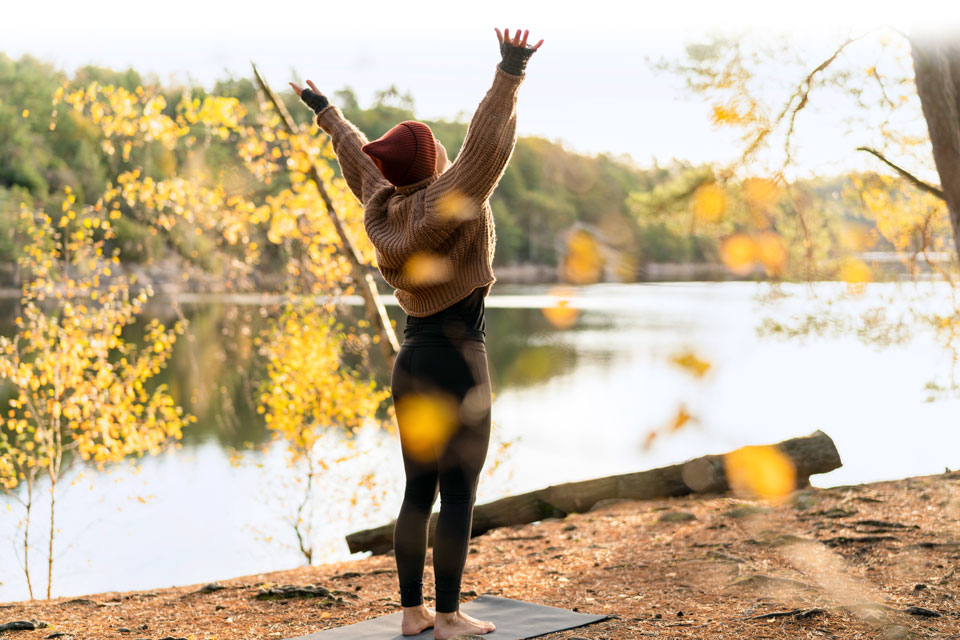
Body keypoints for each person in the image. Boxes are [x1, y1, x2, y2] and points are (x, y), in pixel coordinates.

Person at [291, 26, 542, 639]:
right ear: (434, 164)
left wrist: (326, 114)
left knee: (417, 493)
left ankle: (412, 614)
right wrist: (510, 69)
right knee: (459, 496)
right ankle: (450, 616)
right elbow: (486, 142)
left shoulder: (382, 204)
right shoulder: (453, 199)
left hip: (412, 362)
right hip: (460, 361)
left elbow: (360, 158)